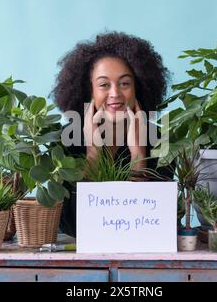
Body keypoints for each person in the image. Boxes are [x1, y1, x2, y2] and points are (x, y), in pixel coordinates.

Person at [50, 31, 174, 237]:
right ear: (89, 91)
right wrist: (93, 152)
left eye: (124, 83)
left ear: (138, 88)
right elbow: (74, 225)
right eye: (104, 85)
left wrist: (138, 154)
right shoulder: (67, 141)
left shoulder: (160, 140)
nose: (115, 93)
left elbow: (150, 224)